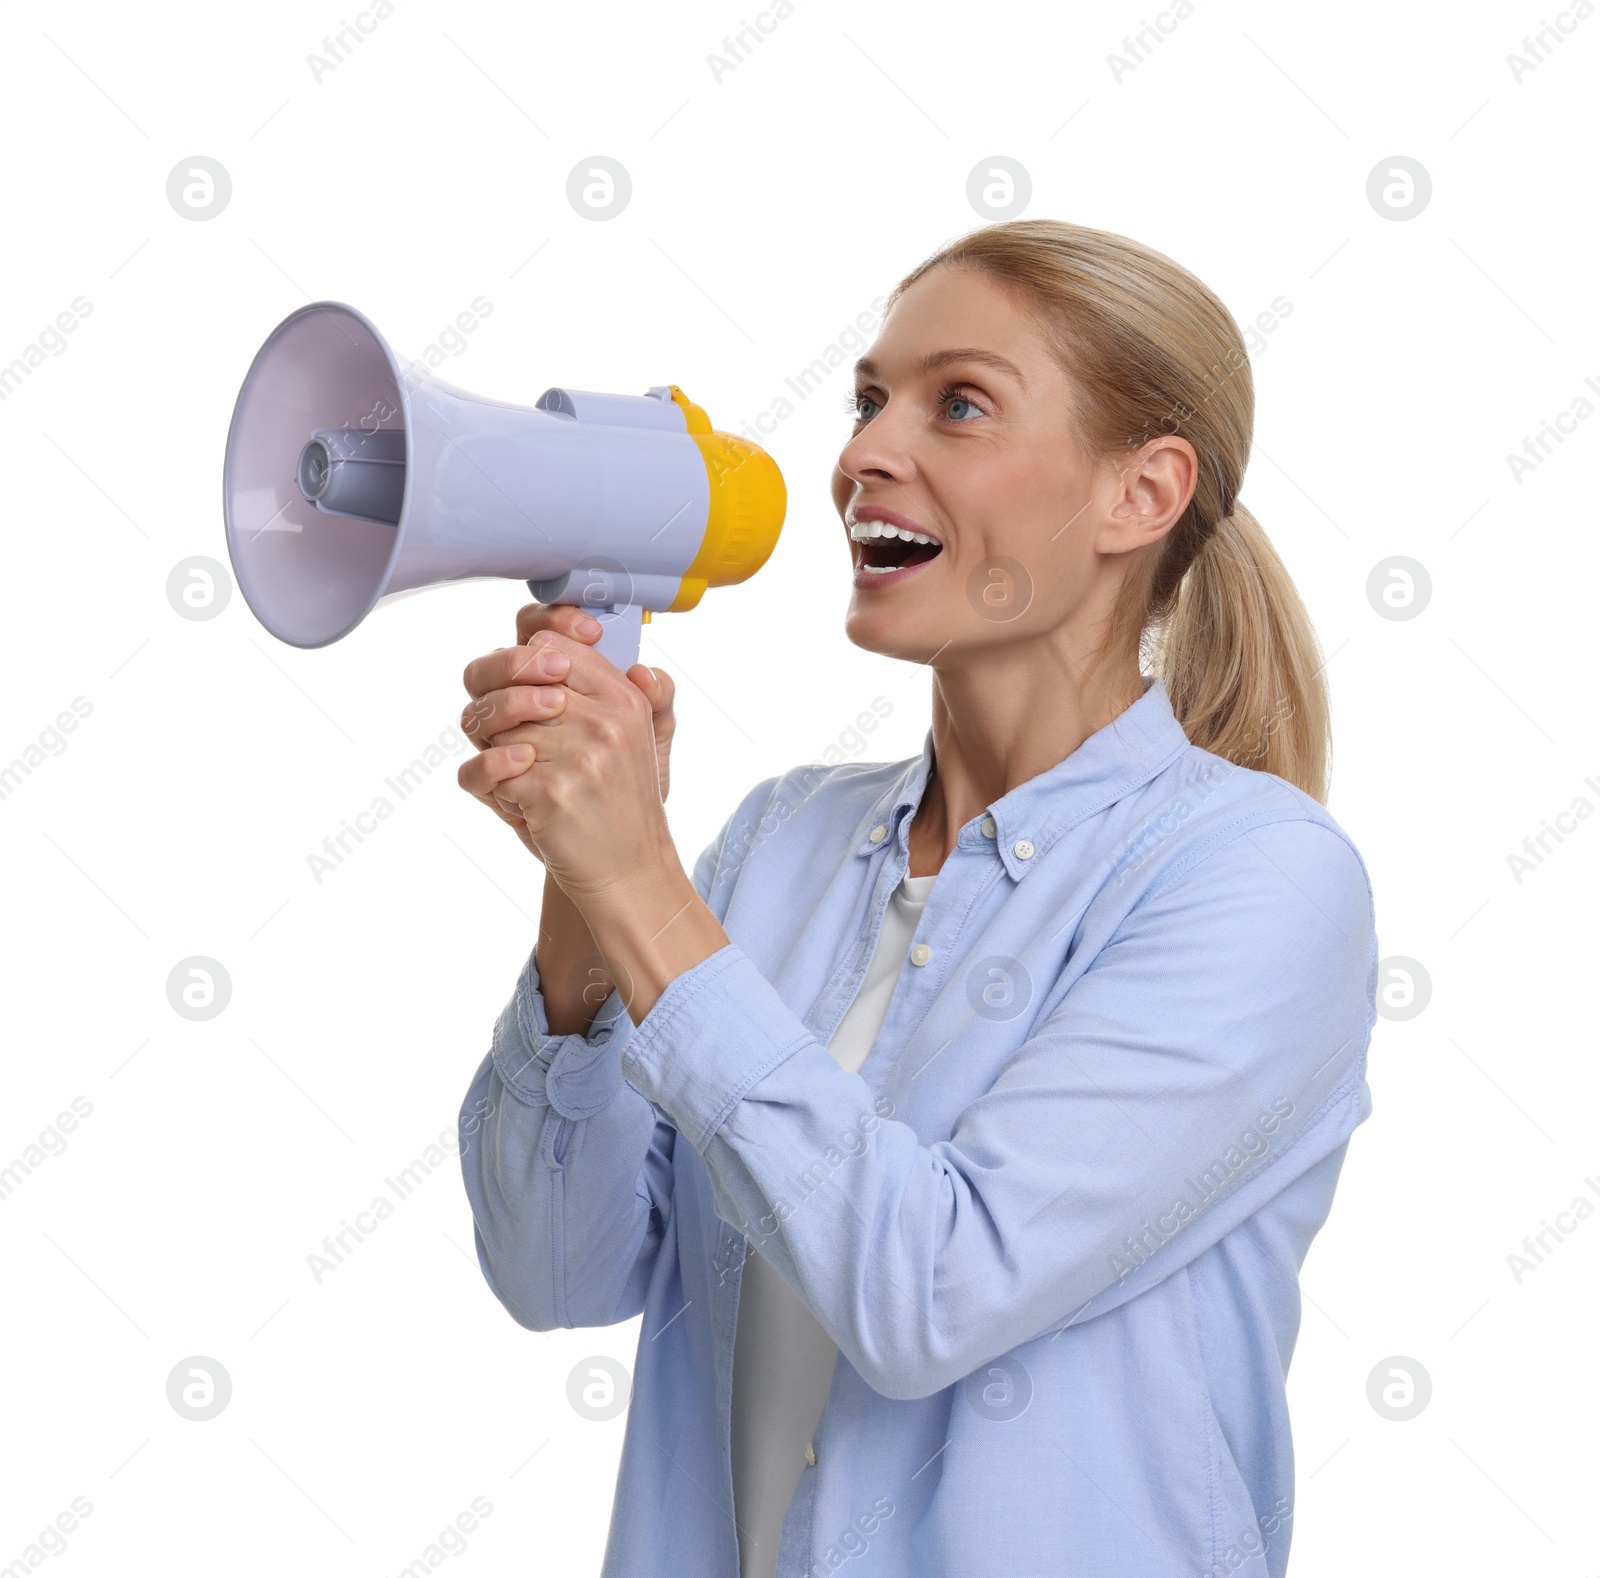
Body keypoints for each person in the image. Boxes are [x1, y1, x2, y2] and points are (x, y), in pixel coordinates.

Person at [455, 218, 1377, 1578]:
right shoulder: (782, 838)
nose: (863, 454)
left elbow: (935, 1292)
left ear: (1142, 491)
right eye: (869, 399)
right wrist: (584, 898)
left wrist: (642, 880)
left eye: (959, 403)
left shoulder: (1259, 879)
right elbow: (557, 1271)